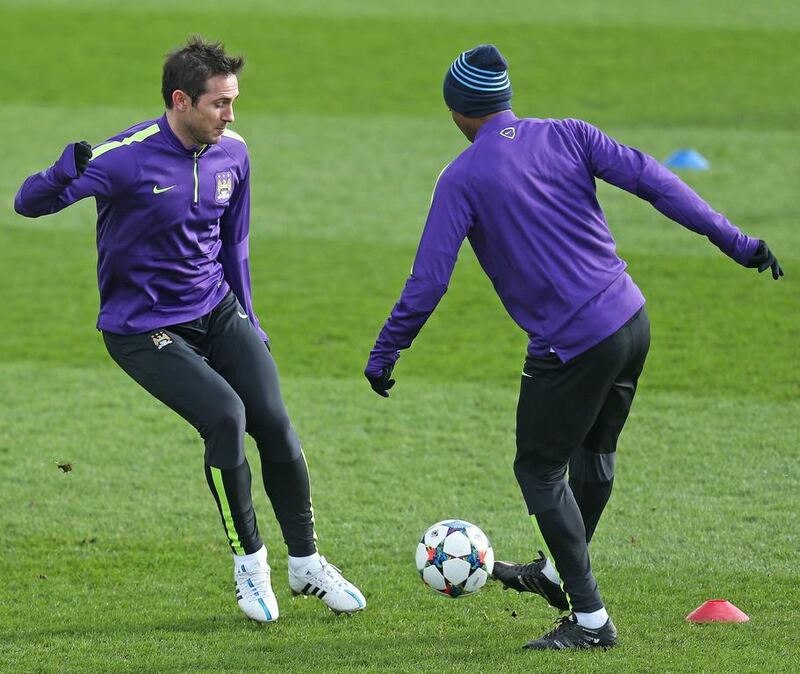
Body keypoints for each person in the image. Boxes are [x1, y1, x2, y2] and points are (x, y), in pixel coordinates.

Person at [364, 44, 782, 650]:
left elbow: (429, 280)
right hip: (630, 319)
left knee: (538, 469)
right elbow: (657, 182)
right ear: (504, 99)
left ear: (457, 110)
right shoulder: (569, 134)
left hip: (572, 345)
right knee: (594, 454)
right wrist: (737, 242)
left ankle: (589, 621)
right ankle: (560, 572)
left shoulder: (460, 179)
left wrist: (385, 353)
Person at [15, 36, 365, 623]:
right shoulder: (126, 157)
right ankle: (251, 566)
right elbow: (28, 203)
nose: (230, 116)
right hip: (142, 327)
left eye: (233, 102)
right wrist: (60, 172)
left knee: (275, 423)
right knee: (226, 416)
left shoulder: (234, 152)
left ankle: (306, 564)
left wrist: (250, 318)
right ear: (181, 100)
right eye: (219, 104)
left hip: (218, 310)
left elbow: (236, 244)